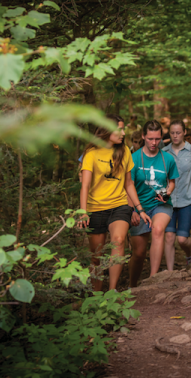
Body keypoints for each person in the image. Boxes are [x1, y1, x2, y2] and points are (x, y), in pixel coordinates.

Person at [77, 115, 152, 291]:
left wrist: (139, 209)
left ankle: (112, 292)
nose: (123, 132)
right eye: (119, 128)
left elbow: (129, 183)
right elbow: (85, 185)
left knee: (118, 241)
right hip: (95, 208)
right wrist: (82, 211)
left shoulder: (125, 150)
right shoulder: (91, 153)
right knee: (97, 256)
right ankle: (96, 296)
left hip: (119, 206)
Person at [128, 120, 179, 287]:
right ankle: (132, 284)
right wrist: (133, 211)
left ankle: (152, 281)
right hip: (139, 206)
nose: (154, 143)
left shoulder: (168, 159)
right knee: (139, 253)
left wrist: (168, 192)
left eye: (157, 139)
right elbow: (129, 187)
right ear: (143, 136)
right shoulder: (133, 159)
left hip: (161, 204)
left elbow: (172, 182)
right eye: (150, 139)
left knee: (158, 230)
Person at [163, 120, 191, 270]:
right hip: (168, 201)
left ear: (184, 133)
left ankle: (190, 255)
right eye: (172, 133)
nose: (175, 136)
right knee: (169, 237)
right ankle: (169, 273)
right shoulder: (164, 152)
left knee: (182, 239)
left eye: (178, 133)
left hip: (187, 200)